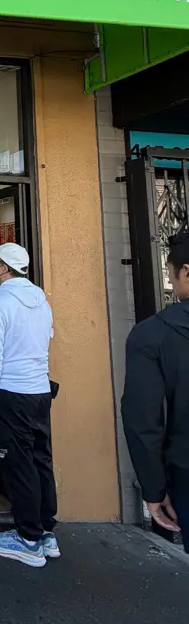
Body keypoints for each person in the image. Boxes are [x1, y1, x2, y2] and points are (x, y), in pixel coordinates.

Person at [0, 242, 56, 569]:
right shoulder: (41, 301)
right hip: (39, 391)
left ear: (4, 268)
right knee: (40, 460)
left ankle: (27, 539)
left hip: (9, 392)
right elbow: (46, 342)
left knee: (17, 465)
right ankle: (45, 531)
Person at [121, 230, 189, 550]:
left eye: (170, 273)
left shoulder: (152, 335)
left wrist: (153, 487)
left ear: (185, 271)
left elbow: (142, 419)